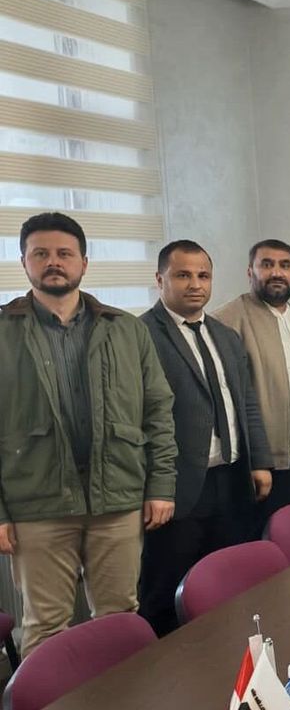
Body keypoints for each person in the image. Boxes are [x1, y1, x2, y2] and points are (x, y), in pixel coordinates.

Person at [0, 212, 176, 654]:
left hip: (117, 498)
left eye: (64, 253)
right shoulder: (4, 332)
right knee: (45, 628)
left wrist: (161, 486)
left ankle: (123, 692)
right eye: (41, 254)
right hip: (36, 505)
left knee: (120, 619)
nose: (53, 262)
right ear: (23, 262)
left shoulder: (126, 329)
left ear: (84, 262)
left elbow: (158, 410)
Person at [139, 240, 273, 636]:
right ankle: (164, 666)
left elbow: (246, 402)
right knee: (166, 592)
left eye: (203, 275)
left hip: (231, 477)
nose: (195, 284)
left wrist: (260, 461)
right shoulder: (141, 334)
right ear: (160, 279)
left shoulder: (224, 335)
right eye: (182, 275)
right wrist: (153, 486)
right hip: (177, 486)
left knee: (227, 584)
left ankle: (224, 653)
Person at [212, 240, 290, 533]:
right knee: (268, 544)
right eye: (267, 264)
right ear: (250, 271)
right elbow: (230, 401)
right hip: (269, 466)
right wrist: (256, 461)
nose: (277, 272)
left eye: (285, 265)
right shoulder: (227, 320)